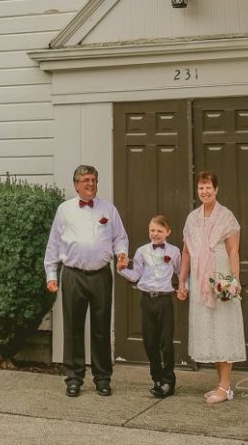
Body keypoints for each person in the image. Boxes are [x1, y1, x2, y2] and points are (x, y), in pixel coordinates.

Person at [44, 164, 129, 397]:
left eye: (93, 179)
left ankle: (103, 378)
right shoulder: (64, 210)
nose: (90, 184)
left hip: (101, 274)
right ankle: (73, 378)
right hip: (73, 275)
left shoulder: (108, 210)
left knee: (101, 328)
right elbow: (53, 245)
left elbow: (120, 238)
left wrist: (122, 254)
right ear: (76, 185)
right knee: (73, 329)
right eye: (85, 180)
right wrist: (51, 274)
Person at [178, 171, 246, 404]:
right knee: (211, 330)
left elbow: (233, 251)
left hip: (221, 277)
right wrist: (182, 281)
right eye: (201, 188)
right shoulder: (192, 218)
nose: (205, 191)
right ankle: (221, 386)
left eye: (208, 187)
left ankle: (225, 387)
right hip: (200, 280)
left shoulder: (226, 217)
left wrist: (234, 280)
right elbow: (186, 252)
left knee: (224, 329)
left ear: (216, 190)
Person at [119, 214, 181, 398]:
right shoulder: (141, 251)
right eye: (152, 230)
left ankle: (169, 381)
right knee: (150, 341)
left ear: (168, 232)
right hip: (146, 300)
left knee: (166, 342)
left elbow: (181, 273)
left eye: (159, 231)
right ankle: (157, 378)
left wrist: (184, 289)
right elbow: (136, 274)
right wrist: (122, 269)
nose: (155, 234)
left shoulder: (175, 251)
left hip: (164, 300)